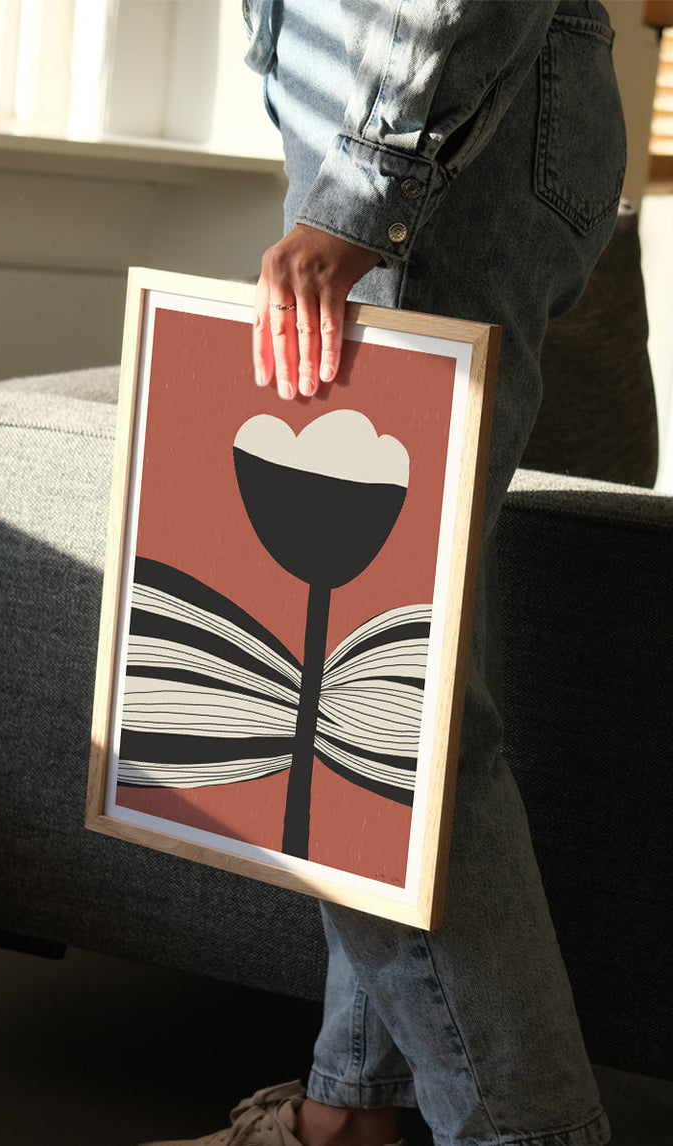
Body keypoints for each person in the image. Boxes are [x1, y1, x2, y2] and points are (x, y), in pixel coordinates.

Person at [146, 3, 626, 1145]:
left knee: (368, 731)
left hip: (441, 136)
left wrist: (366, 186)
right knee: (404, 690)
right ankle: (352, 1109)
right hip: (464, 119)